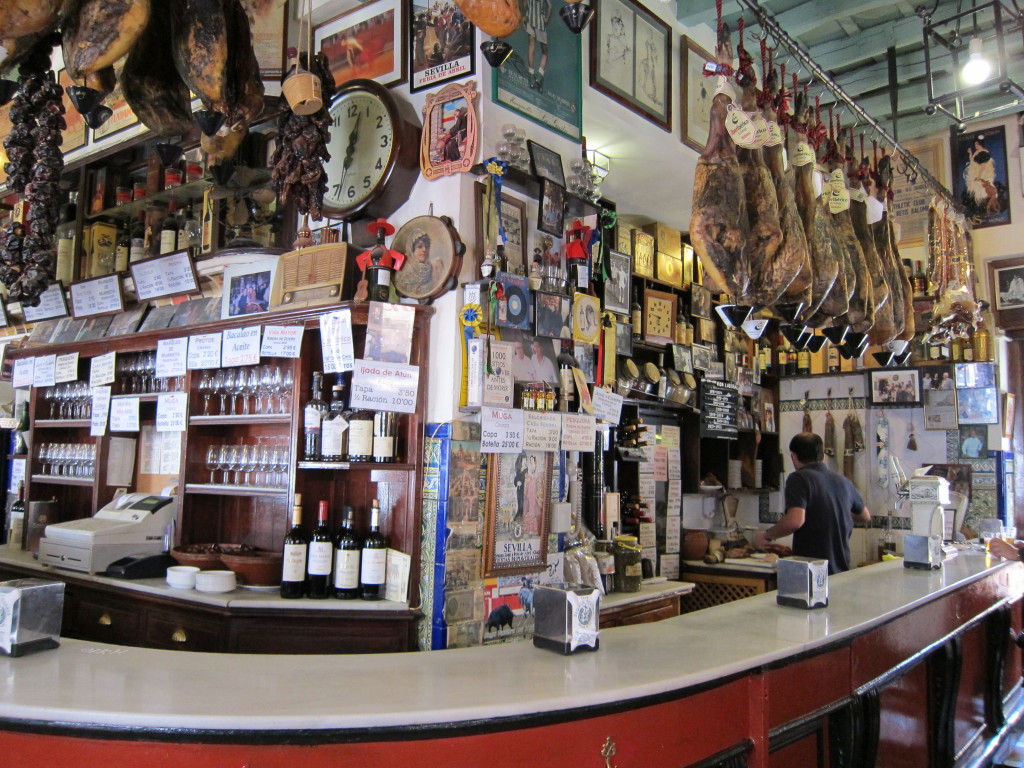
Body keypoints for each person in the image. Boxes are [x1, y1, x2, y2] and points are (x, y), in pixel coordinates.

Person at [754, 432, 871, 574]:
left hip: (812, 573)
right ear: (822, 456)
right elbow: (864, 515)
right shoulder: (843, 481)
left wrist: (767, 535)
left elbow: (794, 521)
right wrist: (835, 510)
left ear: (794, 456)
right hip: (840, 570)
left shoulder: (798, 478)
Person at [395, 230, 438, 296]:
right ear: (412, 250)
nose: (424, 249)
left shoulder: (431, 267)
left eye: (426, 246)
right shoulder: (405, 270)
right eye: (420, 246)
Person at [522, 0, 552, 91]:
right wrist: (546, 18)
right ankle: (539, 75)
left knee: (531, 46)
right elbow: (550, 6)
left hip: (530, 18)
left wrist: (526, 14)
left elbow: (525, 4)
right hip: (539, 21)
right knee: (545, 51)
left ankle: (531, 74)